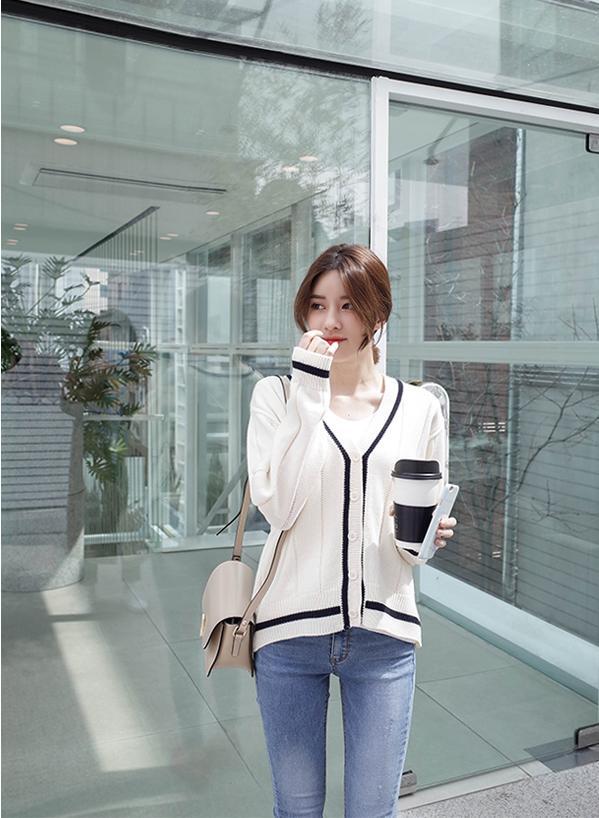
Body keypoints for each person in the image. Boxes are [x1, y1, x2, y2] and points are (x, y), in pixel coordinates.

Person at [246, 244, 457, 818]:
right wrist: (310, 391)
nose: (330, 321)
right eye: (317, 305)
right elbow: (280, 508)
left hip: (384, 637)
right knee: (297, 810)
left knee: (372, 811)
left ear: (376, 311)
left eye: (348, 304)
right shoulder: (277, 396)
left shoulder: (419, 409)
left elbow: (411, 548)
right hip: (289, 633)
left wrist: (426, 538)